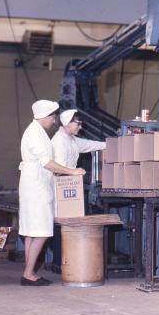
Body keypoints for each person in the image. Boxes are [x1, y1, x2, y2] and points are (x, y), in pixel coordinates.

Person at [18, 99, 85, 286]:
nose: (54, 120)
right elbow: (47, 163)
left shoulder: (36, 131)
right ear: (44, 116)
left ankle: (29, 271)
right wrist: (72, 171)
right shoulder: (36, 134)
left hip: (34, 184)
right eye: (53, 117)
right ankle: (28, 273)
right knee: (41, 231)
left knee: (31, 231)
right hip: (37, 186)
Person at [50, 109, 107, 272]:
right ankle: (59, 262)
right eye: (78, 123)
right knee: (61, 225)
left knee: (67, 225)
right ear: (67, 123)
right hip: (60, 186)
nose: (80, 127)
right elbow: (59, 167)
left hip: (69, 186)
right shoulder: (59, 141)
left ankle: (64, 261)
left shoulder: (71, 140)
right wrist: (74, 172)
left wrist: (115, 143)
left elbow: (91, 145)